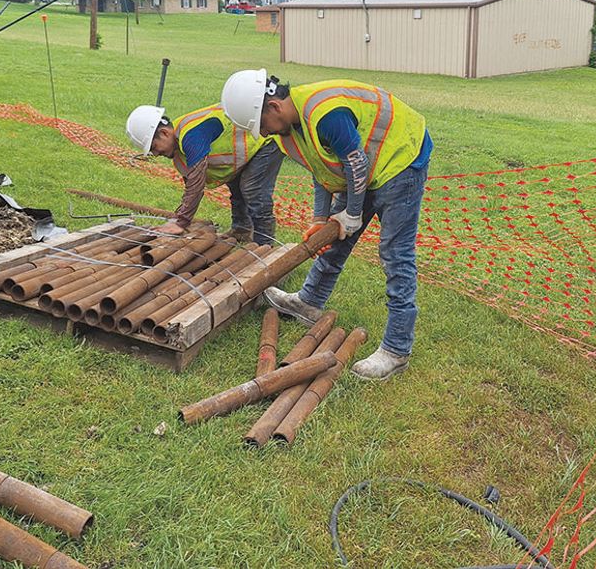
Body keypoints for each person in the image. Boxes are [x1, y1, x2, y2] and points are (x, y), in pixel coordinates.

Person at [220, 69, 432, 380]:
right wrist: (322, 219)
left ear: (274, 107)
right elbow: (323, 169)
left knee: (395, 254)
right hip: (365, 164)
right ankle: (309, 302)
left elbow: (356, 162)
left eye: (261, 125)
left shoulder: (326, 113)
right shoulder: (288, 132)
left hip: (399, 158)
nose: (263, 134)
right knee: (333, 240)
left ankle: (397, 349)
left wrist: (353, 212)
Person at [125, 103, 283, 242]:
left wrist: (181, 222)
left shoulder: (191, 135)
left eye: (154, 147)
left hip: (263, 142)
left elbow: (196, 181)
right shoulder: (178, 151)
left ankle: (264, 244)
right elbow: (190, 189)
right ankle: (241, 230)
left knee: (252, 189)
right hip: (246, 153)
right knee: (236, 186)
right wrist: (178, 218)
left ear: (165, 133)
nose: (156, 154)